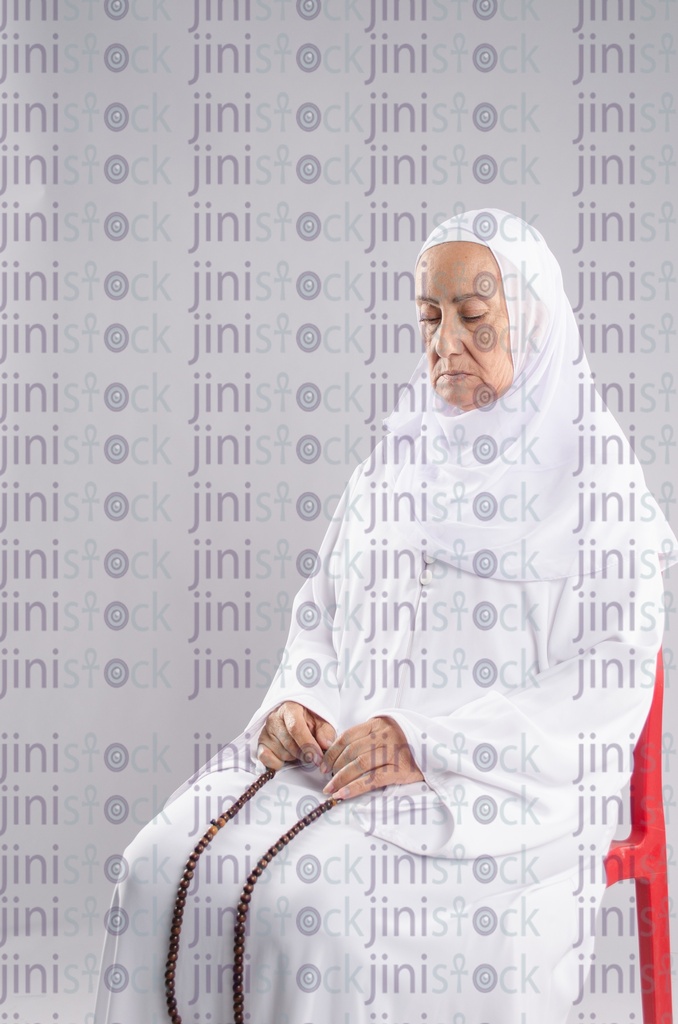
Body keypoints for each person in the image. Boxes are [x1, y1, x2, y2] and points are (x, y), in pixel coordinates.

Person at [94, 208, 677, 1024]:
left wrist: (428, 741)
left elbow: (606, 686)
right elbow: (324, 615)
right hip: (344, 761)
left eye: (474, 320)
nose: (445, 345)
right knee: (154, 868)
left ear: (533, 322)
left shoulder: (597, 485)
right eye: (429, 320)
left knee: (307, 913)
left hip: (494, 791)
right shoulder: (398, 460)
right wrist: (301, 705)